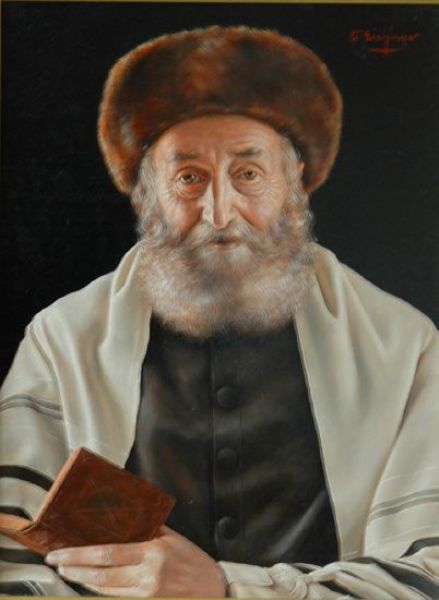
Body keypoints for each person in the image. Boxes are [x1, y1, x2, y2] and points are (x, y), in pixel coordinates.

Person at [1, 25, 438, 599]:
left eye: (248, 174)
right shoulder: (63, 339)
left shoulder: (404, 346)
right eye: (188, 178)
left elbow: (428, 573)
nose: (220, 211)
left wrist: (225, 589)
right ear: (146, 193)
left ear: (296, 183)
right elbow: (12, 563)